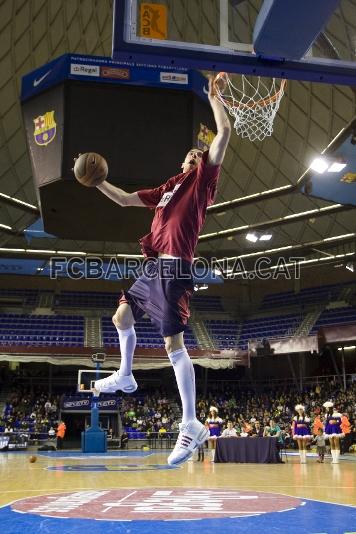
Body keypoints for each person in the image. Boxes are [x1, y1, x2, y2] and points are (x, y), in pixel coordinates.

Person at [92, 75, 231, 466]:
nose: (193, 156)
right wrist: (97, 181)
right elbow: (121, 199)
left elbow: (223, 133)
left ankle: (192, 424)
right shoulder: (167, 189)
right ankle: (125, 375)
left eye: (197, 154)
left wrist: (214, 97)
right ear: (180, 161)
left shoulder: (203, 181)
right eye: (189, 154)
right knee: (120, 316)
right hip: (153, 269)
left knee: (173, 346)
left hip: (174, 269)